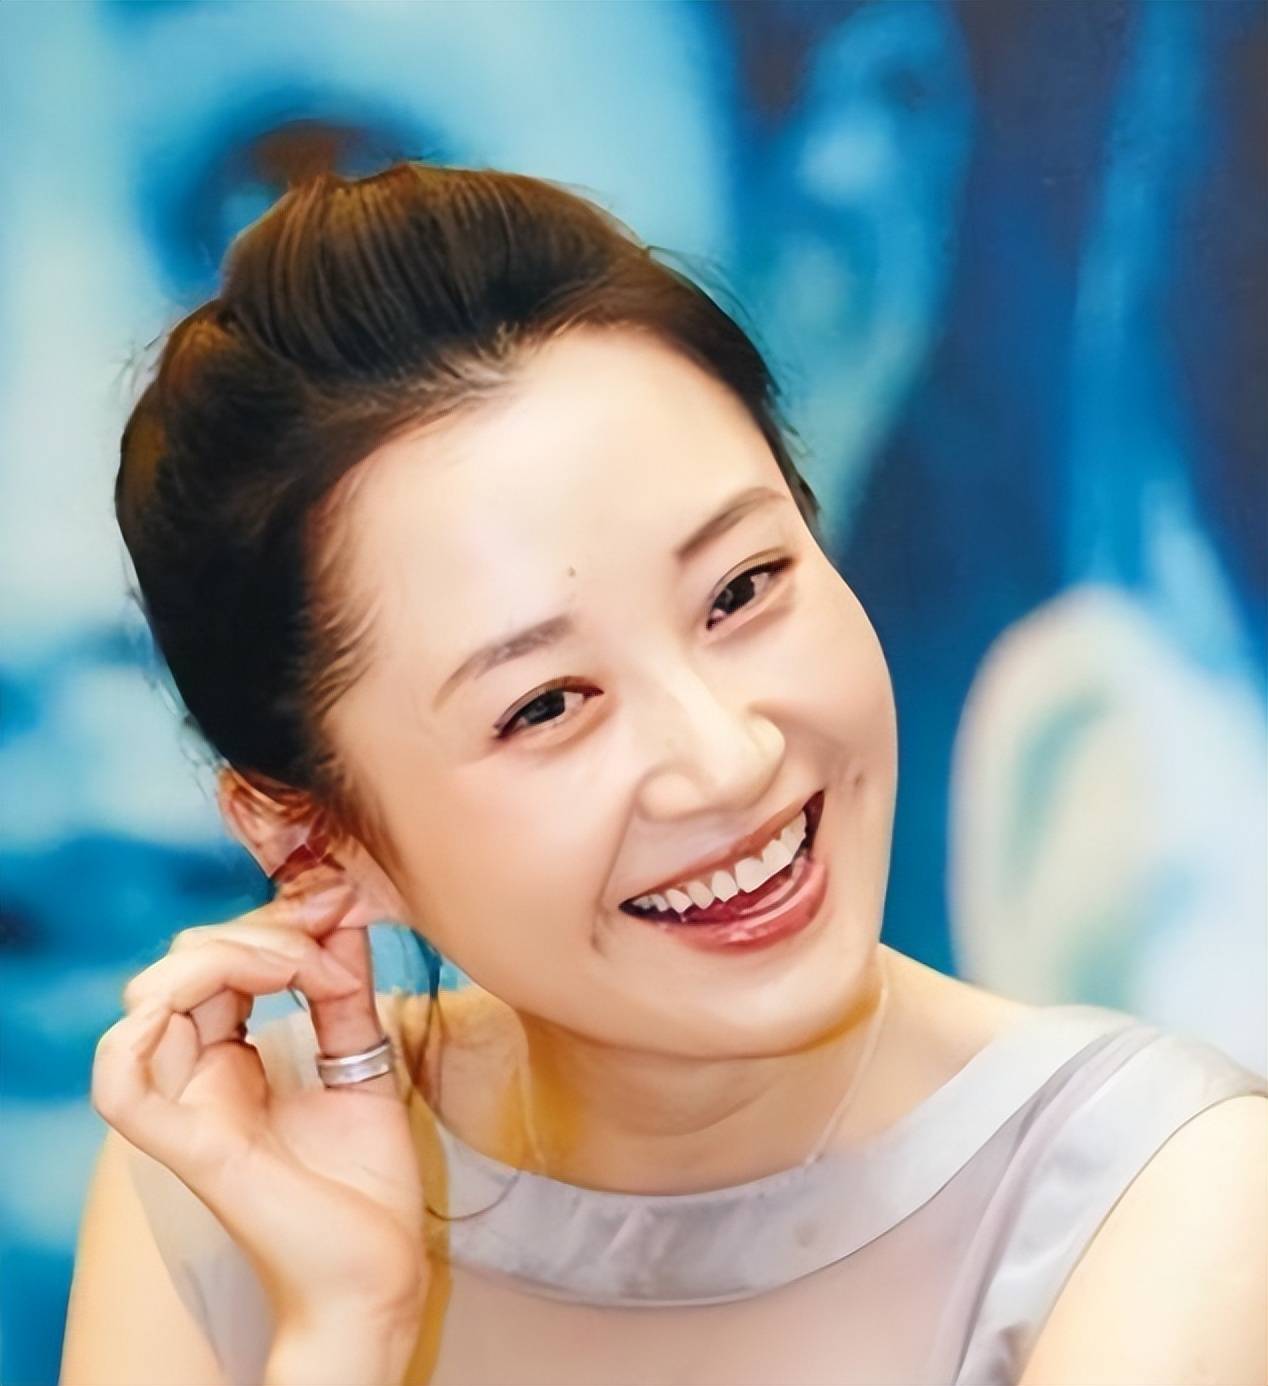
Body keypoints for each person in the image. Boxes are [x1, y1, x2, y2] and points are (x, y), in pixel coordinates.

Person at [61, 162, 1265, 1386]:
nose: (727, 759)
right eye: (545, 705)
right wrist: (341, 1330)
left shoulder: (1152, 1193)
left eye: (741, 589)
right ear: (318, 842)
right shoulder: (233, 1175)